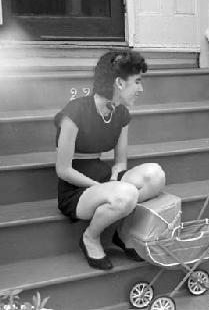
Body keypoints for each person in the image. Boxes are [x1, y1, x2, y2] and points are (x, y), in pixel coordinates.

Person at [54, 50, 166, 271]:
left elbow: (120, 162)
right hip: (76, 188)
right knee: (127, 193)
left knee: (156, 175)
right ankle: (90, 238)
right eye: (137, 81)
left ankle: (123, 233)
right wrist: (103, 186)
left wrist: (115, 176)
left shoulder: (121, 114)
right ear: (119, 83)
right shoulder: (75, 112)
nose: (141, 89)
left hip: (105, 178)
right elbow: (63, 170)